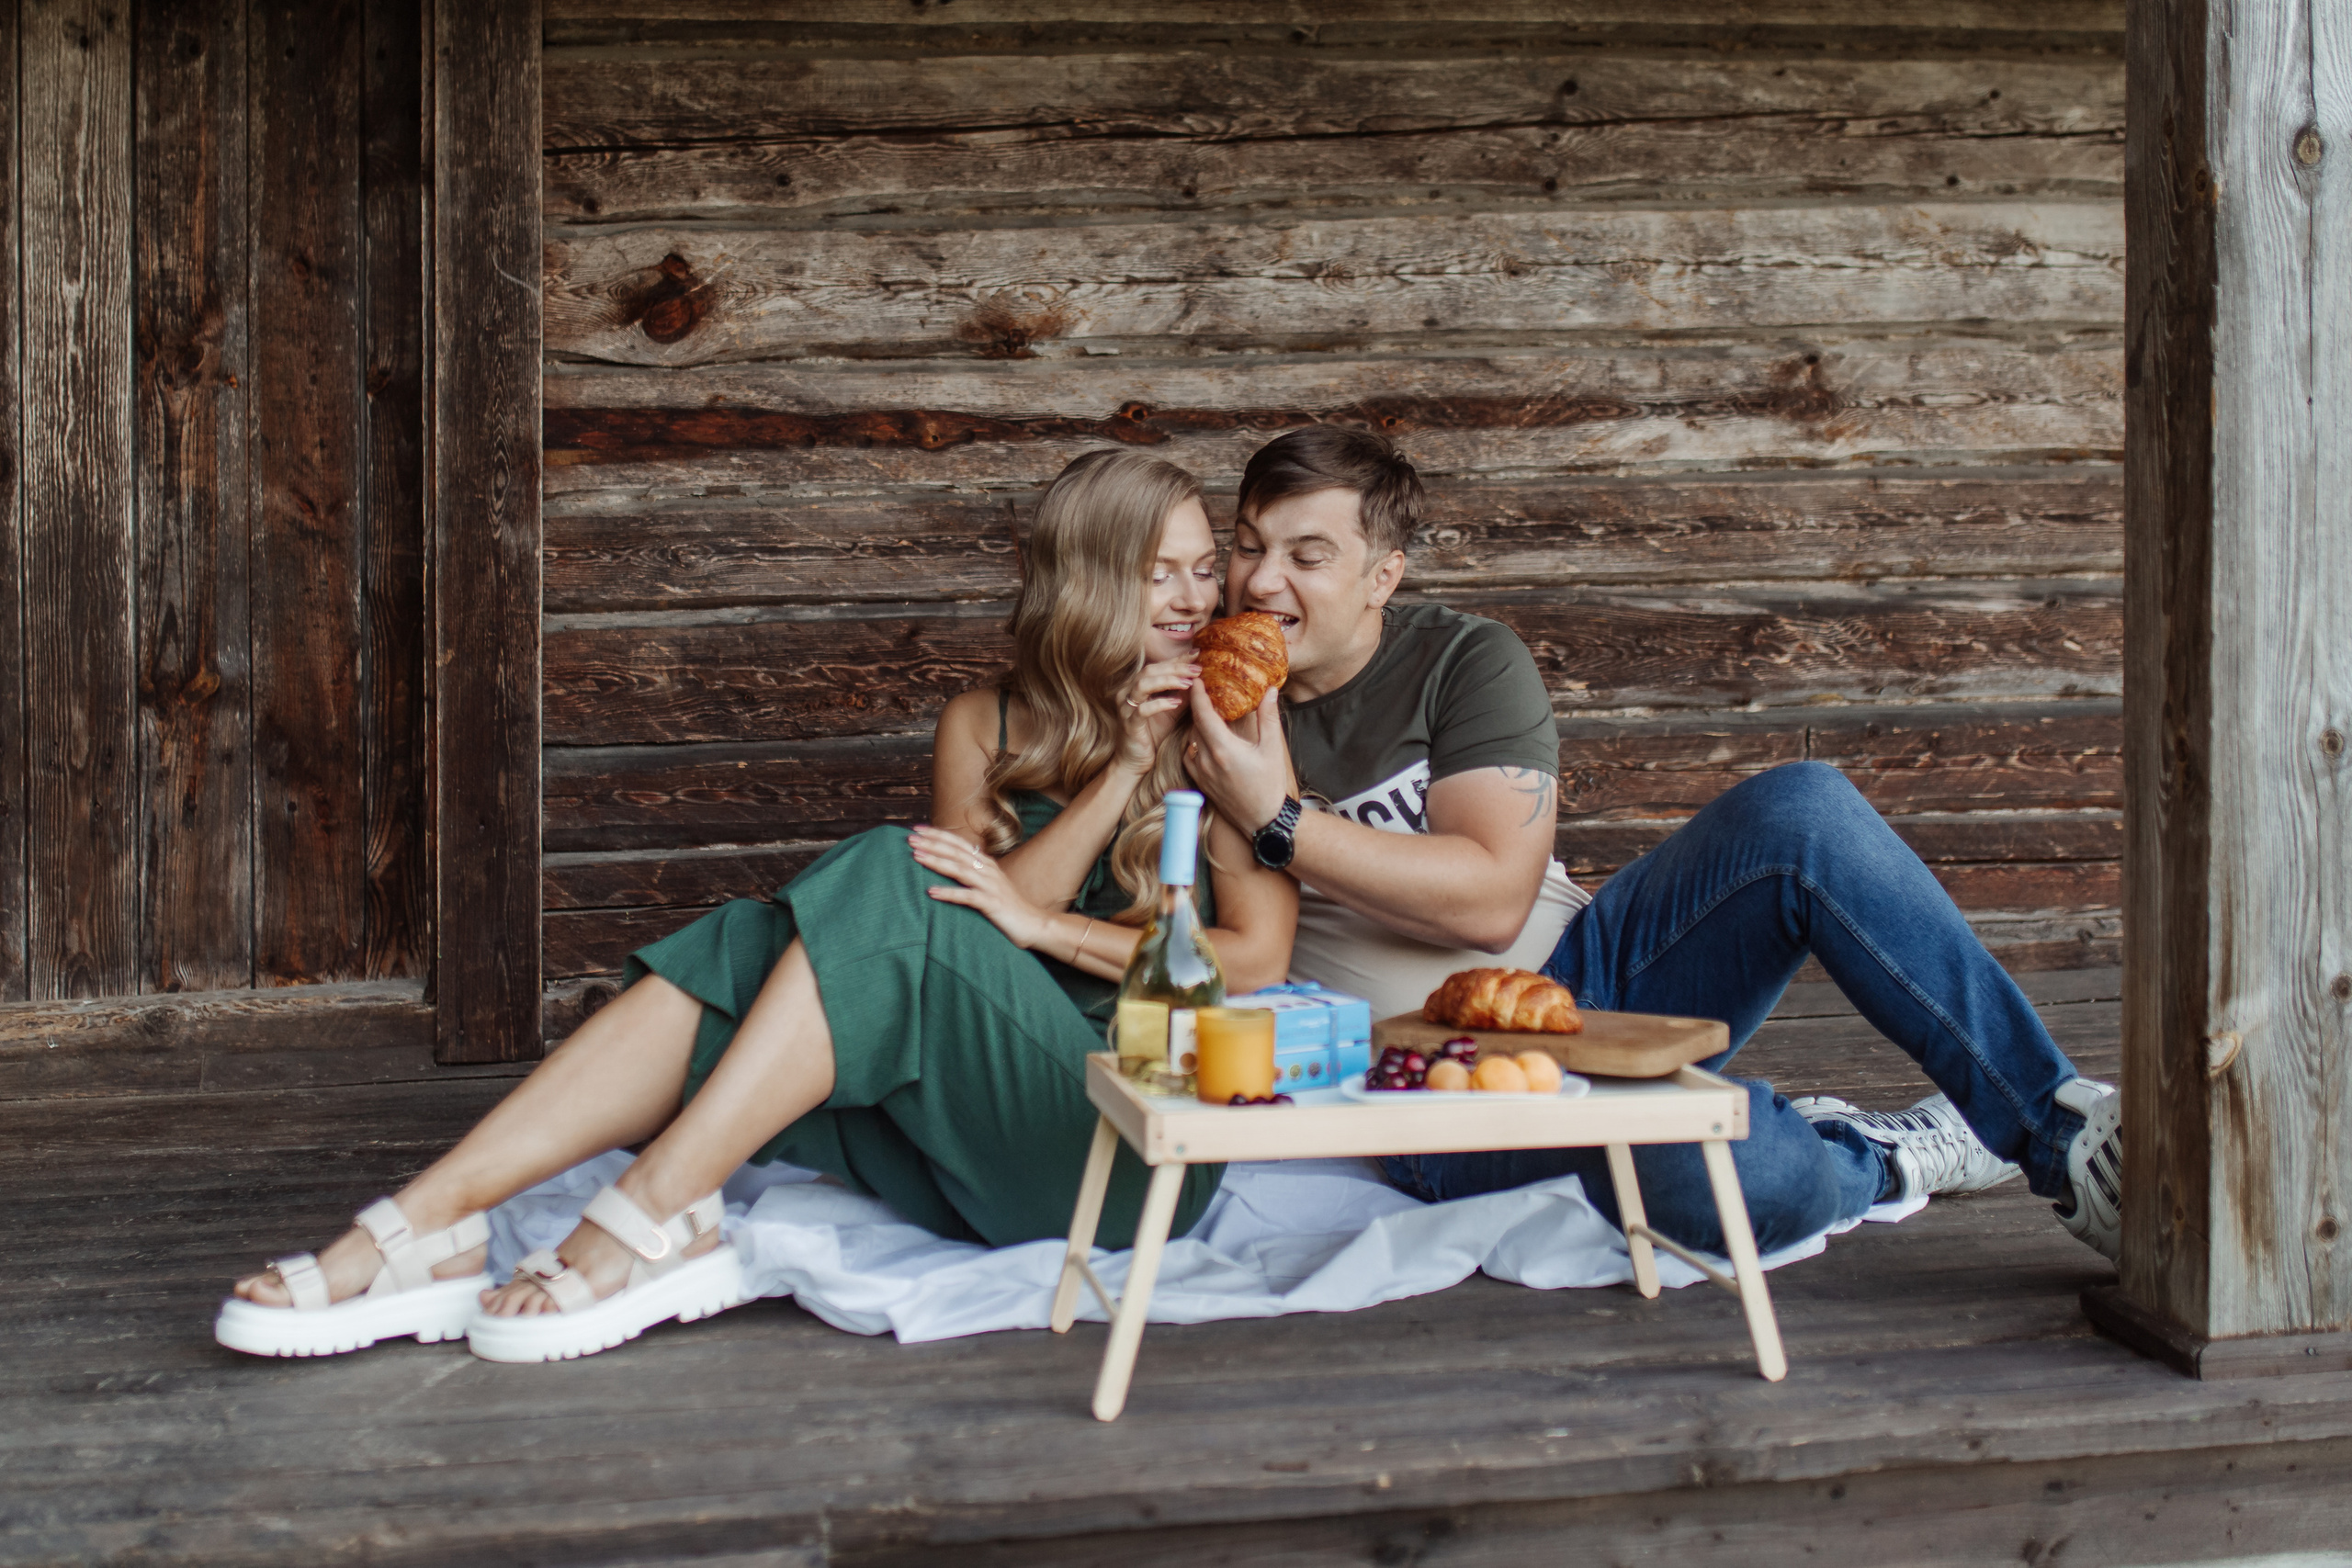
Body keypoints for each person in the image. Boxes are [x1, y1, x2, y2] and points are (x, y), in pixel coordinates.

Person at [215, 450, 1297, 1362]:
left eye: (1206, 572)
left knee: (882, 871)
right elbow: (962, 927)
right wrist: (1115, 770)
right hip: (948, 1141)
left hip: (1110, 1145)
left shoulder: (1231, 729)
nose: (1197, 601)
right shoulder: (986, 721)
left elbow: (1249, 965)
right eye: (1162, 574)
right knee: (763, 940)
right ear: (1089, 581)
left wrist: (1067, 897)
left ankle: (651, 1209)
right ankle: (435, 1219)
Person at [1182, 426, 2124, 1263]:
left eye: (1308, 554)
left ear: (1381, 574)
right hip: (1428, 1092)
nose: (1262, 581)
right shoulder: (1204, 713)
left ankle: (2055, 1134)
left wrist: (1283, 820)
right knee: (1734, 1170)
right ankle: (1874, 1160)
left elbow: (1491, 900)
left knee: (1801, 807)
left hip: (1595, 989)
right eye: (1251, 546)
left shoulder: (1459, 661)